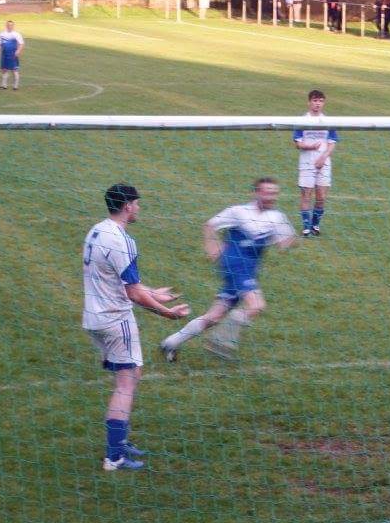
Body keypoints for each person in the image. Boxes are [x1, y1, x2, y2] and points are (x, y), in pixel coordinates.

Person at [83, 184, 189, 470]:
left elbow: (120, 280)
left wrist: (154, 292)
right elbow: (132, 293)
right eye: (137, 204)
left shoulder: (96, 231)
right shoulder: (123, 240)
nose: (139, 208)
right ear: (128, 206)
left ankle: (120, 442)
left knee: (132, 374)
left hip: (93, 317)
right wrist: (167, 313)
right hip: (115, 319)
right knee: (126, 383)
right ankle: (114, 457)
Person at [160, 178, 295, 362]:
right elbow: (210, 225)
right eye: (267, 192)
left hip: (249, 269)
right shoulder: (239, 211)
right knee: (256, 305)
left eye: (274, 192)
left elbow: (283, 243)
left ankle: (171, 342)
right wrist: (212, 248)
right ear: (256, 193)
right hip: (236, 266)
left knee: (214, 316)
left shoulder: (277, 217)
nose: (271, 196)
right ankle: (221, 340)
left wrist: (290, 240)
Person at [293, 89, 339, 236]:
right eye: (315, 100)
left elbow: (332, 142)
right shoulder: (302, 121)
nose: (317, 104)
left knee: (321, 197)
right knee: (306, 195)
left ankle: (315, 225)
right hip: (307, 163)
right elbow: (298, 143)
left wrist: (323, 157)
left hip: (324, 162)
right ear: (309, 102)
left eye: (320, 101)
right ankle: (306, 228)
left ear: (323, 103)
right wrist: (310, 147)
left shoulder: (328, 122)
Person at [0, 19, 24, 90]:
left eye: (11, 25)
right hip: (4, 54)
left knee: (14, 70)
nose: (9, 26)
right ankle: (4, 85)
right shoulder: (2, 34)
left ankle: (15, 86)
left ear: (13, 26)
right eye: (8, 25)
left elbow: (21, 44)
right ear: (6, 25)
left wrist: (18, 51)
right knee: (4, 69)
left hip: (13, 54)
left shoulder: (16, 34)